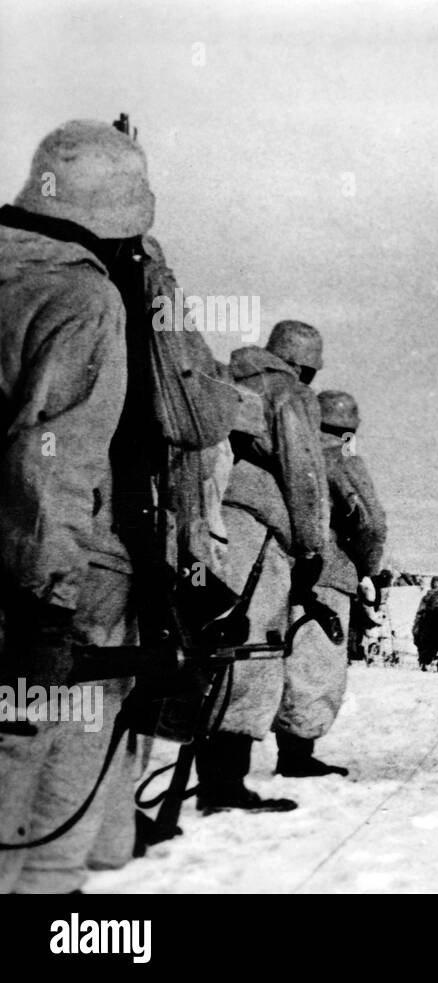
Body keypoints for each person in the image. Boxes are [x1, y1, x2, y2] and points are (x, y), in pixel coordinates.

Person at [0, 120, 153, 892]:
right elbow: (51, 462)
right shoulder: (86, 297)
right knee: (50, 784)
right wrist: (47, 609)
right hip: (49, 573)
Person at [195, 319, 332, 814]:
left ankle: (208, 771)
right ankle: (224, 782)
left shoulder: (227, 379)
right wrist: (312, 546)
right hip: (258, 528)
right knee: (253, 648)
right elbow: (303, 472)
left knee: (214, 640)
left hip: (210, 517)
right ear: (304, 364)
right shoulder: (288, 393)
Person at [272, 390, 385, 778]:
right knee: (314, 666)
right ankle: (296, 755)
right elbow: (371, 524)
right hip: (327, 574)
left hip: (273, 566)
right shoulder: (343, 461)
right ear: (349, 431)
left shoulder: (280, 449)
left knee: (266, 659)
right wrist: (365, 569)